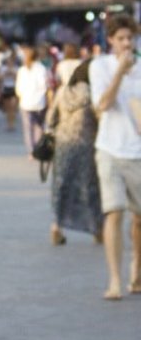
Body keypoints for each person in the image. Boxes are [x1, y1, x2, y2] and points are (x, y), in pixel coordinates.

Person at [89, 17, 141, 299]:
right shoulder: (100, 67)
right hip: (109, 148)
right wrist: (120, 72)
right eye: (121, 38)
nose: (127, 43)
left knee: (139, 218)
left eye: (130, 38)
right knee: (114, 211)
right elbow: (103, 105)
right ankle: (114, 280)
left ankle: (137, 270)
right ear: (110, 40)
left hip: (137, 152)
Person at [45, 60, 103, 247]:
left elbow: (51, 119)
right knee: (90, 189)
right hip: (87, 146)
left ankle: (56, 227)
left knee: (61, 187)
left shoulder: (62, 92)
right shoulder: (95, 94)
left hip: (63, 146)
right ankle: (97, 230)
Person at [15, 45, 51, 156]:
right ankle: (37, 148)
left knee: (27, 127)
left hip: (25, 102)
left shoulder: (22, 70)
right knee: (38, 126)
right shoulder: (41, 69)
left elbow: (18, 88)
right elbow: (44, 86)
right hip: (39, 102)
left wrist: (21, 96)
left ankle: (31, 150)